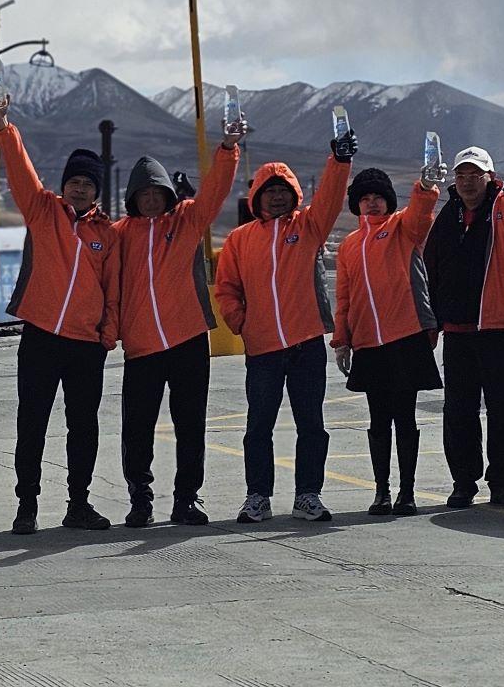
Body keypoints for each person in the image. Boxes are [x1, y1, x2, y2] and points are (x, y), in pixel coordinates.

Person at [0, 93, 120, 534]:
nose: (80, 188)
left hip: (86, 344)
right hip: (42, 336)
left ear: (97, 191)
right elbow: (19, 167)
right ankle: (27, 506)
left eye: (88, 183)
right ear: (63, 185)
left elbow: (114, 289)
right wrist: (4, 124)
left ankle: (78, 503)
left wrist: (108, 334)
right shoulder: (43, 211)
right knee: (33, 422)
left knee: (83, 427)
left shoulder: (107, 232)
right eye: (74, 181)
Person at [213, 126, 355, 524]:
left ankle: (308, 494)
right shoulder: (240, 240)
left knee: (312, 424)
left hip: (305, 343)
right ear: (258, 196)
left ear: (294, 194)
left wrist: (340, 161)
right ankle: (258, 495)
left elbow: (329, 199)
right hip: (262, 349)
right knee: (259, 426)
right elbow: (226, 288)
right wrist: (242, 323)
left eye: (283, 190)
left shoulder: (308, 228)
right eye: (269, 190)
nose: (277, 196)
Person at [111, 118, 243, 528]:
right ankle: (140, 497)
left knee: (191, 425)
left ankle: (187, 497)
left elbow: (216, 191)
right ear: (133, 197)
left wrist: (227, 149)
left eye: (157, 192)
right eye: (143, 194)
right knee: (137, 429)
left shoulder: (185, 222)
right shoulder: (119, 234)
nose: (150, 200)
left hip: (187, 341)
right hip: (142, 345)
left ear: (168, 194)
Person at [423, 146, 504, 508]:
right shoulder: (448, 213)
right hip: (458, 329)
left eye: (474, 175)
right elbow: (430, 264)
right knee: (458, 410)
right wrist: (432, 320)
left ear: (490, 177)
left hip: (499, 326)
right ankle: (463, 482)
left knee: (503, 409)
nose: (467, 182)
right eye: (461, 175)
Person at [332, 160, 444, 516]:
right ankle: (382, 491)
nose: (372, 203)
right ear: (356, 205)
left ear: (389, 201)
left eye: (378, 197)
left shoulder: (402, 228)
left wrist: (425, 188)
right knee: (378, 420)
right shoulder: (349, 245)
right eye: (365, 198)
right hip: (368, 343)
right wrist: (342, 339)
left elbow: (421, 214)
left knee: (405, 418)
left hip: (404, 337)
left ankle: (407, 492)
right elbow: (344, 295)